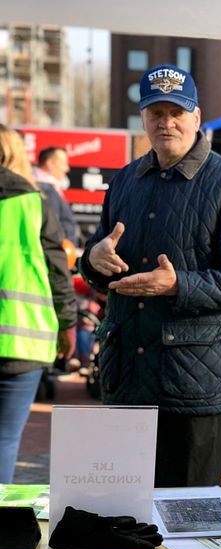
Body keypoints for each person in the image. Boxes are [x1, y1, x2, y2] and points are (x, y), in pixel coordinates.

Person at [80, 64, 221, 549]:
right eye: (156, 113)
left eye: (176, 112)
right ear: (143, 119)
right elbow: (98, 263)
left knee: (190, 539)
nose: (167, 122)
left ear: (197, 117)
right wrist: (93, 261)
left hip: (193, 389)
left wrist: (176, 284)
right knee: (134, 528)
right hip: (129, 381)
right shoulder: (126, 180)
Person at [0, 125, 76, 483]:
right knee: (5, 439)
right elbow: (57, 269)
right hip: (23, 339)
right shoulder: (35, 201)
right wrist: (67, 323)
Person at [33, 146, 77, 245]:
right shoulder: (45, 189)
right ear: (50, 164)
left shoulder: (43, 187)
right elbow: (52, 228)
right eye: (63, 164)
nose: (67, 169)